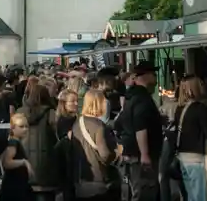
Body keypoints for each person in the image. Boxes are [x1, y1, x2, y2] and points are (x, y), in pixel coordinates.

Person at [115, 62, 162, 201]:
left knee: (135, 189)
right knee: (144, 191)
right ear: (145, 76)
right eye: (153, 74)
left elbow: (119, 123)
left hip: (130, 151)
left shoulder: (131, 97)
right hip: (141, 154)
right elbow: (140, 127)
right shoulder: (142, 99)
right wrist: (145, 154)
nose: (156, 77)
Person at [68, 90, 120, 201]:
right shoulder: (99, 126)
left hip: (80, 179)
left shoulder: (76, 123)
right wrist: (116, 153)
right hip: (98, 180)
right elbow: (105, 155)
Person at [174, 76, 207, 201]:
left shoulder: (179, 109)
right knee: (201, 196)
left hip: (182, 158)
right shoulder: (200, 108)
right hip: (197, 159)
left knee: (191, 196)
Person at [0, 113, 35, 201]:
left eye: (26, 126)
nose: (25, 129)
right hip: (14, 187)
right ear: (13, 128)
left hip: (17, 185)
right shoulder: (13, 142)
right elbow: (7, 162)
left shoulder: (15, 142)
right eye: (21, 126)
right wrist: (24, 162)